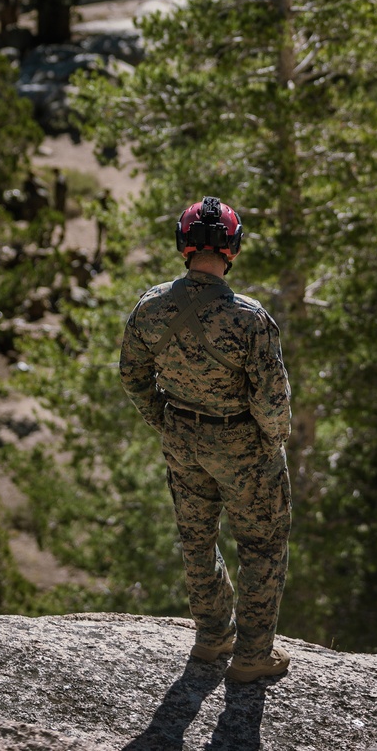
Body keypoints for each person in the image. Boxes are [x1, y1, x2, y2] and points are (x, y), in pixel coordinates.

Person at [120, 195, 292, 683]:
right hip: (241, 444)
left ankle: (212, 635)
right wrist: (271, 442)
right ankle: (253, 655)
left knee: (197, 539)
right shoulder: (250, 317)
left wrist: (166, 422)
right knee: (261, 545)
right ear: (233, 248)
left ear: (183, 246)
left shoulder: (151, 306)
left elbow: (132, 376)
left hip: (181, 438)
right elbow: (273, 400)